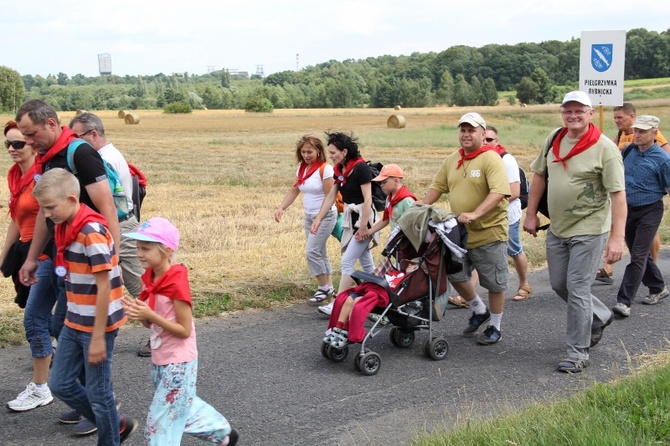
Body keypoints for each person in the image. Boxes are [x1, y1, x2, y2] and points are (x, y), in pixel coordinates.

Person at [15, 99, 120, 435]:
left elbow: (107, 208)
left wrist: (110, 260)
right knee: (58, 326)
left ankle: (101, 408)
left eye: (31, 134)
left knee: (72, 330)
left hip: (88, 261)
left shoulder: (81, 154)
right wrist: (32, 257)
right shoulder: (46, 160)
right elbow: (45, 217)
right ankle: (87, 402)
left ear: (49, 124)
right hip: (60, 260)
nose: (28, 142)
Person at [32, 168, 137, 445]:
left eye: (50, 207)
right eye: (43, 208)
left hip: (96, 326)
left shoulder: (91, 232)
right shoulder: (66, 226)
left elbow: (106, 286)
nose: (46, 214)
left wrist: (100, 336)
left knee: (99, 395)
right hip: (75, 319)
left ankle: (110, 436)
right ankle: (115, 424)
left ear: (70, 199)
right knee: (60, 384)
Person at [523, 91, 626, 373]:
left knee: (578, 288)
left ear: (590, 114)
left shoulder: (606, 149)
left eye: (579, 111)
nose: (573, 116)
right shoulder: (555, 139)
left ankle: (577, 353)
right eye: (568, 111)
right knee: (559, 284)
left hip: (591, 227)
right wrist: (531, 213)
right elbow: (539, 175)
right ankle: (601, 314)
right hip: (558, 227)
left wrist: (617, 238)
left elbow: (618, 195)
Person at [121, 217, 239, 446]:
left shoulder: (175, 283)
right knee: (180, 405)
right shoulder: (150, 278)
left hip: (179, 361)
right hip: (161, 357)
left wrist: (150, 315)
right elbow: (153, 322)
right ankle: (221, 433)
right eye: (137, 248)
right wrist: (141, 315)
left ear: (166, 251)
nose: (138, 253)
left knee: (161, 421)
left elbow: (184, 330)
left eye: (145, 248)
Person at [422, 112, 511, 345]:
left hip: (488, 233)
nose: (466, 134)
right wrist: (420, 208)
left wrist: (475, 213)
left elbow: (499, 192)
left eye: (471, 130)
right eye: (462, 130)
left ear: (483, 134)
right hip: (458, 235)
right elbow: (437, 187)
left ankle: (495, 326)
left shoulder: (491, 159)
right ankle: (479, 310)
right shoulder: (453, 159)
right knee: (455, 275)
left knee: (494, 282)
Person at [68, 112, 150, 357]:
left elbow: (110, 204)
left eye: (78, 137)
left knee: (139, 285)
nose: (74, 143)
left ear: (93, 134)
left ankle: (164, 331)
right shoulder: (110, 154)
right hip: (123, 224)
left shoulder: (101, 159)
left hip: (120, 227)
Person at [1, 121, 58, 412]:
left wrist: (34, 256)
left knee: (34, 318)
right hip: (26, 251)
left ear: (30, 144)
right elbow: (15, 218)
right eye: (7, 144)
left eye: (18, 143)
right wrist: (5, 255)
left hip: (45, 253)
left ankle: (41, 388)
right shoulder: (14, 175)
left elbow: (48, 218)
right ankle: (69, 345)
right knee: (36, 312)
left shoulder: (41, 175)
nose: (12, 149)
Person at [595, 102, 669, 284]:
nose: (617, 121)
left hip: (649, 199)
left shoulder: (652, 134)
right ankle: (614, 268)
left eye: (620, 118)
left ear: (631, 117)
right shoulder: (622, 137)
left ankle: (630, 286)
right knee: (624, 235)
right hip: (626, 196)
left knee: (645, 242)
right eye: (614, 118)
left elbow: (665, 157)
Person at [310, 132, 380, 316]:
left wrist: (364, 226)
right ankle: (379, 298)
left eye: (333, 152)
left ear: (344, 151)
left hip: (363, 218)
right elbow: (331, 196)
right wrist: (318, 218)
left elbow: (367, 198)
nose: (330, 156)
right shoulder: (339, 169)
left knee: (348, 261)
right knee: (367, 265)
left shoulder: (360, 168)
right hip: (353, 218)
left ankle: (338, 304)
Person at [611, 115, 670, 318]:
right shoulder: (628, 151)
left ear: (655, 133)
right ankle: (658, 287)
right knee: (641, 253)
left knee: (637, 256)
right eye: (635, 130)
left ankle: (624, 301)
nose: (637, 134)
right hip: (627, 210)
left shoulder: (663, 160)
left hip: (650, 210)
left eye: (643, 131)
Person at [274, 135, 337, 304]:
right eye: (303, 152)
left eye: (310, 151)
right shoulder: (301, 168)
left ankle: (323, 288)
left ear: (318, 151)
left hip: (325, 215)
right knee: (320, 251)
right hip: (309, 215)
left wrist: (319, 217)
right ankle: (329, 289)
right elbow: (295, 190)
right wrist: (281, 207)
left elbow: (329, 196)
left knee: (312, 251)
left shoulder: (326, 169)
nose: (306, 155)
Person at [486, 126, 533, 301]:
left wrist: (489, 206)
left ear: (497, 141)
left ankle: (524, 285)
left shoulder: (507, 160)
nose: (486, 143)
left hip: (507, 215)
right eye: (484, 139)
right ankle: (467, 295)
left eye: (489, 140)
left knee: (513, 249)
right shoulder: (482, 159)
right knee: (478, 250)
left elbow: (515, 192)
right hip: (487, 214)